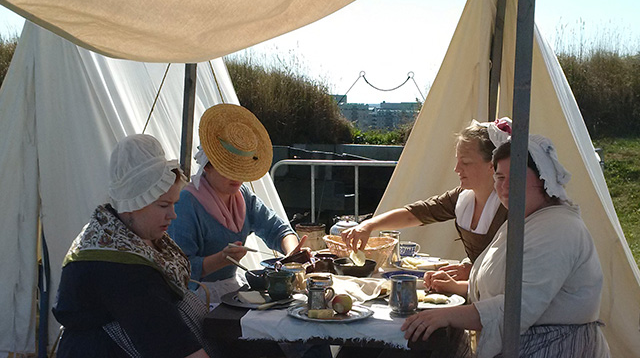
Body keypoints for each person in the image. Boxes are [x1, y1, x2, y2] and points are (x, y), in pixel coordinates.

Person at [402, 136, 610, 358]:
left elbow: (518, 307)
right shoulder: (525, 221)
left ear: (544, 179)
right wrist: (457, 287)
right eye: (499, 177)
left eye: (516, 177)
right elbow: (505, 286)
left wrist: (446, 316)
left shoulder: (559, 228)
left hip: (555, 348)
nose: (504, 186)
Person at [53, 134, 215, 357]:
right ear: (132, 204)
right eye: (163, 205)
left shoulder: (122, 230)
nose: (173, 215)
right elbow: (171, 343)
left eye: (174, 204)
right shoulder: (119, 266)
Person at [341, 118, 512, 280]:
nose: (456, 169)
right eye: (457, 161)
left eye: (465, 162)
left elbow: (517, 268)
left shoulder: (511, 207)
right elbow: (417, 213)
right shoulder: (462, 197)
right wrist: (368, 225)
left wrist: (473, 271)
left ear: (492, 165)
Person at [168, 104, 305, 300]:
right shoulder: (186, 203)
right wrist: (220, 260)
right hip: (197, 296)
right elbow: (180, 269)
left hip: (232, 290)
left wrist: (293, 254)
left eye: (241, 170)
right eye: (229, 169)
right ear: (208, 166)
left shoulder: (242, 195)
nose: (237, 177)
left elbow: (277, 229)